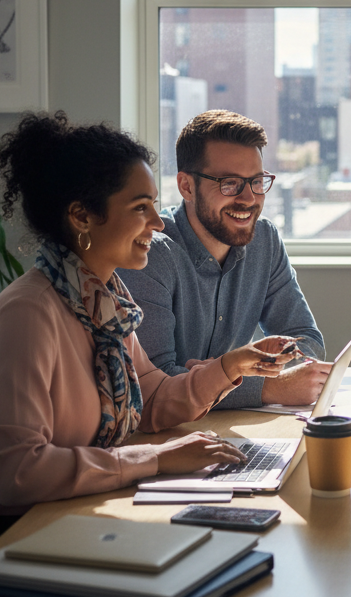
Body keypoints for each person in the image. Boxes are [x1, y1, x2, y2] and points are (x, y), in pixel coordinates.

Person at [0, 112, 296, 534]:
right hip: (6, 531)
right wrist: (155, 460)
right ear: (82, 217)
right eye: (140, 208)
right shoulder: (29, 313)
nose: (157, 224)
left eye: (155, 206)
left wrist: (230, 367)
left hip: (75, 512)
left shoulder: (103, 300)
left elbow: (152, 400)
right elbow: (17, 475)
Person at [121, 110, 329, 409]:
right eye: (230, 183)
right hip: (166, 436)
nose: (248, 199)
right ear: (186, 186)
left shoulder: (264, 240)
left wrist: (222, 372)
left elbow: (306, 340)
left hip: (232, 429)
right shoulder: (151, 253)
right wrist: (268, 386)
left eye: (257, 182)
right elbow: (155, 384)